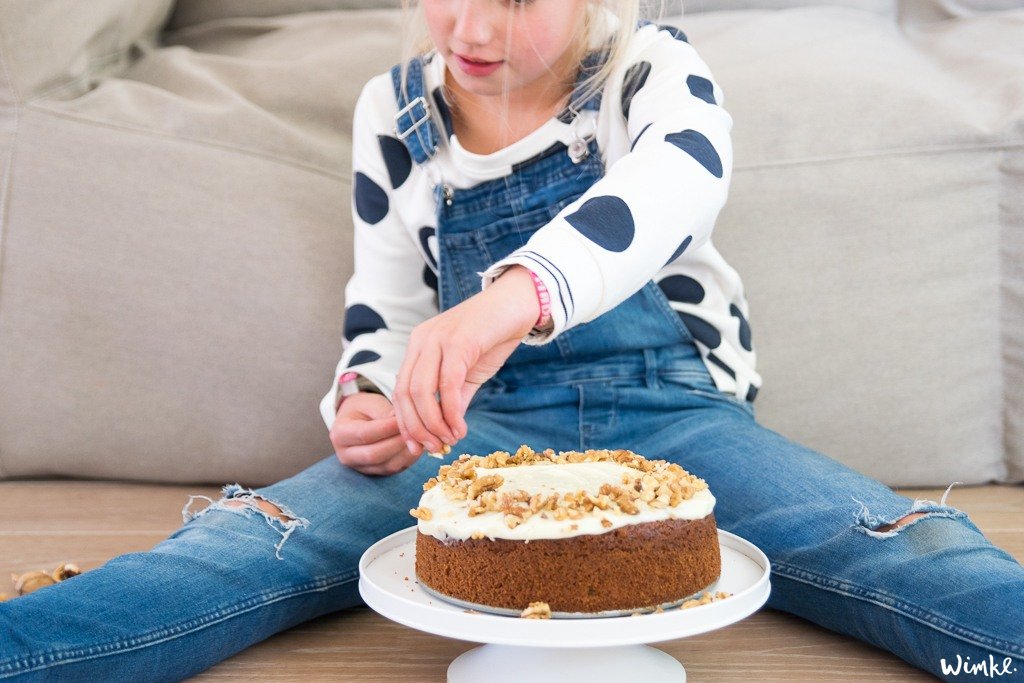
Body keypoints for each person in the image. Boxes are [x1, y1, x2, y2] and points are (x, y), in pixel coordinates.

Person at [1, 1, 1021, 680]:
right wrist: (366, 398)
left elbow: (679, 179)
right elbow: (384, 305)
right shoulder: (393, 111)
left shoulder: (645, 69)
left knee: (898, 548)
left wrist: (518, 292)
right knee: (250, 540)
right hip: (472, 435)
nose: (475, 23)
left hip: (679, 420)